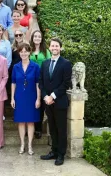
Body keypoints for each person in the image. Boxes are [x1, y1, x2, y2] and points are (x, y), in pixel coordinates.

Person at [40, 38, 72, 166]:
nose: (54, 48)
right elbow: (41, 82)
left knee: (61, 129)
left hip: (59, 102)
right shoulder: (45, 63)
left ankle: (60, 154)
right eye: (52, 46)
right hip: (48, 103)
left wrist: (52, 96)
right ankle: (53, 151)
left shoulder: (66, 63)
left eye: (57, 46)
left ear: (60, 48)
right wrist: (45, 97)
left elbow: (66, 84)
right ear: (49, 48)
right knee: (52, 128)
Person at [11, 42, 41, 156]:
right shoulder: (15, 67)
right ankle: (22, 144)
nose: (23, 53)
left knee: (30, 122)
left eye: (26, 51)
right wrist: (12, 98)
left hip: (31, 96)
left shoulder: (35, 66)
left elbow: (38, 83)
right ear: (19, 53)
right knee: (21, 122)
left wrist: (38, 99)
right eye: (21, 51)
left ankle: (30, 145)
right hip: (19, 96)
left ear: (29, 52)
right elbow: (13, 83)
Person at [30, 30, 52, 139]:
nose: (37, 38)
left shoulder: (46, 51)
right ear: (32, 38)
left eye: (39, 36)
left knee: (41, 106)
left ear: (41, 38)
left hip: (42, 81)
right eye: (35, 36)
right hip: (30, 81)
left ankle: (38, 129)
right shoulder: (29, 50)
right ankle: (30, 127)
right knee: (31, 104)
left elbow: (49, 66)